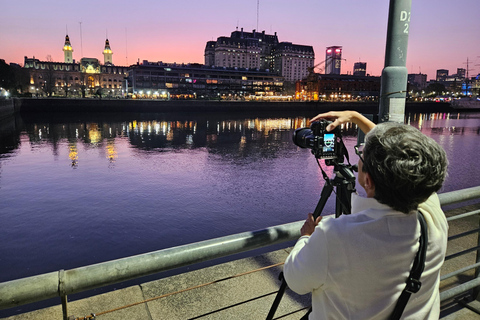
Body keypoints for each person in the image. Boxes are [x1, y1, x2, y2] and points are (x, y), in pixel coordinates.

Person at [284, 111, 449, 319]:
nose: (359, 155)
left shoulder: (334, 235)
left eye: (361, 153)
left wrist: (305, 238)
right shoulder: (432, 216)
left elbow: (295, 280)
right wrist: (355, 117)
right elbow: (406, 158)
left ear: (368, 181)